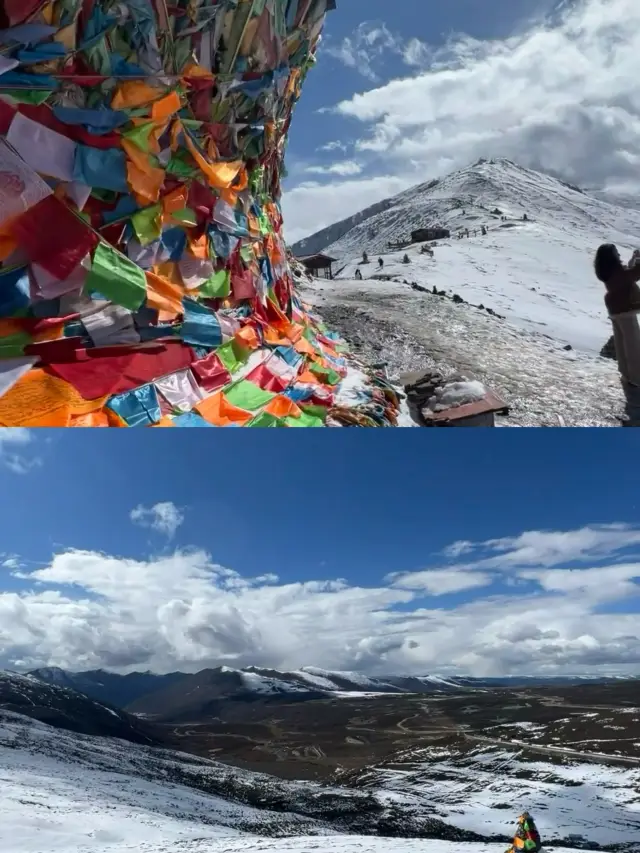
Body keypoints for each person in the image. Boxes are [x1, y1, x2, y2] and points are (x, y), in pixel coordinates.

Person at [594, 244, 640, 425]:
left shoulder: (607, 270)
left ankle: (626, 373)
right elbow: (633, 275)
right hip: (625, 309)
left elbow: (627, 275)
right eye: (616, 253)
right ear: (611, 256)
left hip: (615, 309)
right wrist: (637, 260)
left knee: (622, 343)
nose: (618, 255)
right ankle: (636, 378)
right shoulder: (616, 271)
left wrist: (634, 261)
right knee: (633, 344)